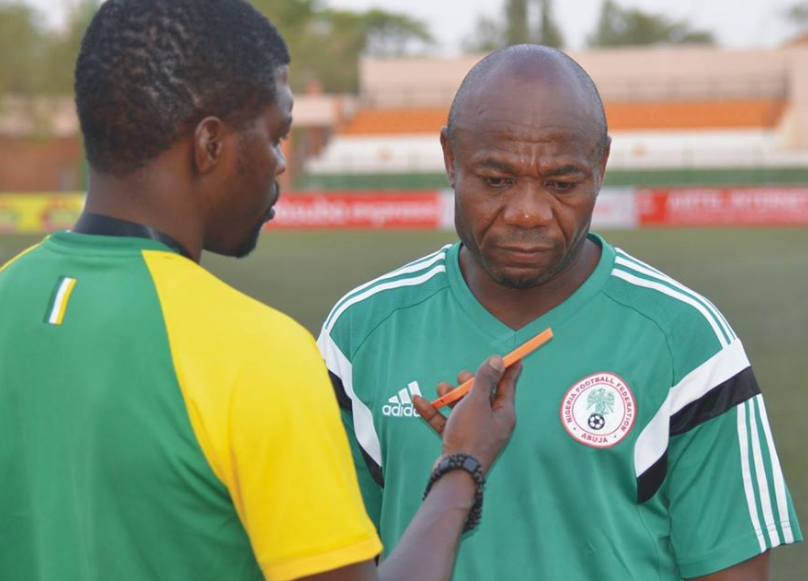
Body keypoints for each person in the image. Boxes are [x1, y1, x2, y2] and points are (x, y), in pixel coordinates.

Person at [0, 2, 524, 580]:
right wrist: (463, 463)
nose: (279, 163)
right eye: (276, 136)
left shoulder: (9, 293)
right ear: (210, 145)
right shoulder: (258, 354)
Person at [318, 44, 802, 580]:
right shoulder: (361, 332)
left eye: (562, 184)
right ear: (451, 159)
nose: (528, 212)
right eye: (497, 180)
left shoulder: (688, 340)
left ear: (600, 166)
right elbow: (327, 562)